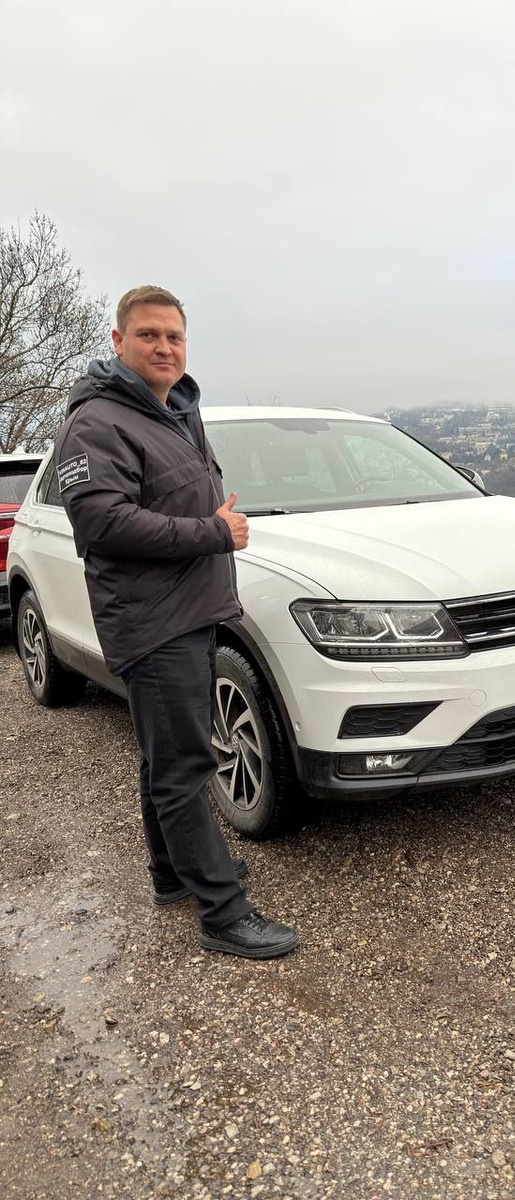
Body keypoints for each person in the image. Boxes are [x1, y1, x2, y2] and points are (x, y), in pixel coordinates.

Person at [53, 285, 299, 958]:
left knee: (163, 756)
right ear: (118, 341)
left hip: (190, 609)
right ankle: (223, 912)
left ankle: (172, 873)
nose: (164, 347)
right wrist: (213, 533)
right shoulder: (97, 423)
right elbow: (101, 522)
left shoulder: (172, 411)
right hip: (153, 620)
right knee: (185, 766)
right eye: (149, 335)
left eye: (175, 337)